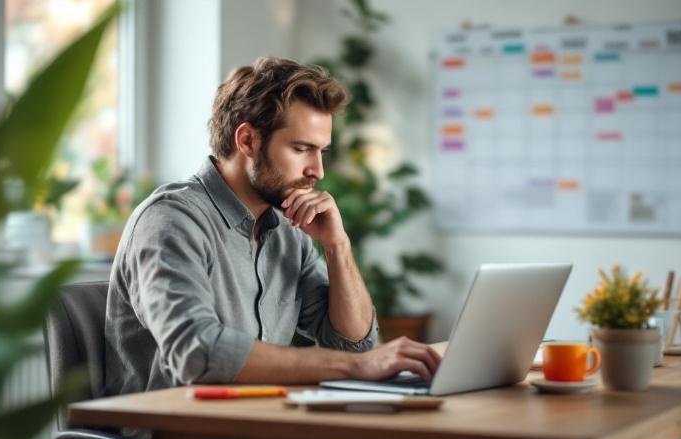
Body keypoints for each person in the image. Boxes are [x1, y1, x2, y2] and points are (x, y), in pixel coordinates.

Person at [105, 57, 440, 397]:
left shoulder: (287, 229)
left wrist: (337, 245)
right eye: (301, 149)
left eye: (321, 152)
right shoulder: (170, 221)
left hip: (256, 418)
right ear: (248, 140)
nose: (318, 171)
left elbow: (353, 345)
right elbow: (197, 353)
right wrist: (356, 367)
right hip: (167, 425)